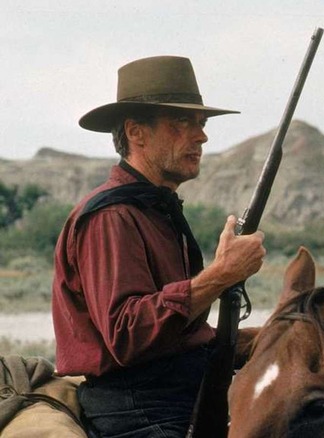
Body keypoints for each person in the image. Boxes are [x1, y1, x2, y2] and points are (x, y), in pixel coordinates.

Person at [51, 55, 267, 437]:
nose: (201, 136)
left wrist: (276, 337)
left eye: (200, 124)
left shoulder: (156, 211)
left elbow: (179, 336)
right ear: (136, 132)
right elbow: (126, 335)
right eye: (182, 122)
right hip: (139, 414)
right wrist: (220, 276)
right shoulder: (112, 216)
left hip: (180, 400)